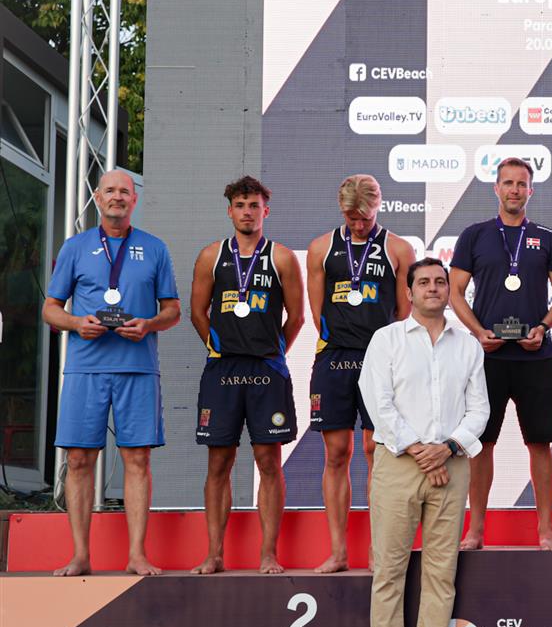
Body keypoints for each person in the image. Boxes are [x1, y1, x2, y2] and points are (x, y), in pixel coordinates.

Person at [358, 257, 488, 627]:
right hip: (398, 464)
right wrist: (419, 449)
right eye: (424, 282)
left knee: (440, 574)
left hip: (451, 467)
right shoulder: (386, 340)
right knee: (389, 572)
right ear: (409, 292)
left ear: (450, 291)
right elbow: (378, 402)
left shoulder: (467, 345)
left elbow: (480, 411)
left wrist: (446, 449)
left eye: (440, 282)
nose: (433, 288)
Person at [43, 170, 181, 576]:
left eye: (125, 191)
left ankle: (137, 554)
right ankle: (81, 555)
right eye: (110, 191)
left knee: (137, 459)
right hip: (86, 367)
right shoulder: (75, 247)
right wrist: (74, 323)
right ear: (97, 199)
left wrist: (148, 324)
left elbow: (173, 310)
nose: (118, 197)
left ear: (134, 200)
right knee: (80, 459)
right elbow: (50, 308)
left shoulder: (154, 248)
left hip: (138, 368)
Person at [449, 158, 552, 551]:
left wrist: (544, 327)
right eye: (508, 183)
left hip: (536, 356)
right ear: (496, 189)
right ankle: (476, 531)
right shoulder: (474, 235)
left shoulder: (547, 238)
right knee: (482, 443)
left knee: (540, 444)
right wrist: (477, 332)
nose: (515, 190)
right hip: (488, 357)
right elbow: (454, 292)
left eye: (522, 184)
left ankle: (545, 531)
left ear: (530, 191)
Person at [190, 176, 304, 575]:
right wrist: (218, 346)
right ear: (230, 211)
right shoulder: (210, 256)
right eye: (240, 205)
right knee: (218, 462)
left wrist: (272, 354)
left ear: (265, 211)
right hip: (222, 369)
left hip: (266, 369)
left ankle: (268, 553)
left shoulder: (283, 258)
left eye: (254, 205)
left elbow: (297, 317)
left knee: (268, 460)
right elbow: (197, 313)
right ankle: (213, 554)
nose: (247, 212)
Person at [305, 174, 413, 573]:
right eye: (350, 218)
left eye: (364, 219)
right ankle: (338, 551)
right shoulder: (320, 248)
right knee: (336, 453)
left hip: (380, 359)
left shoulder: (398, 249)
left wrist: (383, 353)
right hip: (334, 358)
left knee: (376, 453)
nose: (357, 225)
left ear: (377, 207)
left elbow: (403, 313)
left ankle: (376, 550)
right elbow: (317, 314)